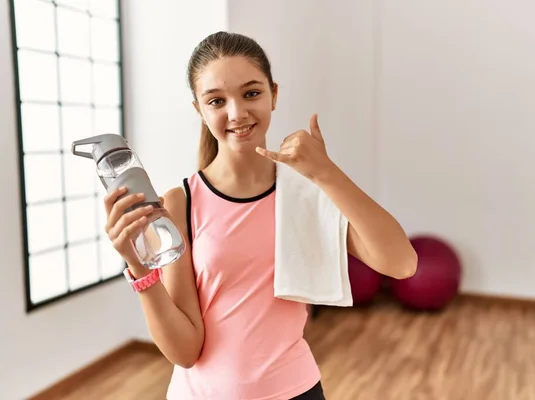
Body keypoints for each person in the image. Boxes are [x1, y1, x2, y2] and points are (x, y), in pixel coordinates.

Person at [103, 31, 417, 400]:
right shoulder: (181, 203)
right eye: (217, 100)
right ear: (200, 111)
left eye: (251, 93)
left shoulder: (306, 191)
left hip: (295, 391)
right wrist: (139, 269)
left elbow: (401, 263)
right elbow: (186, 351)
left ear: (274, 95)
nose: (237, 113)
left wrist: (326, 172)